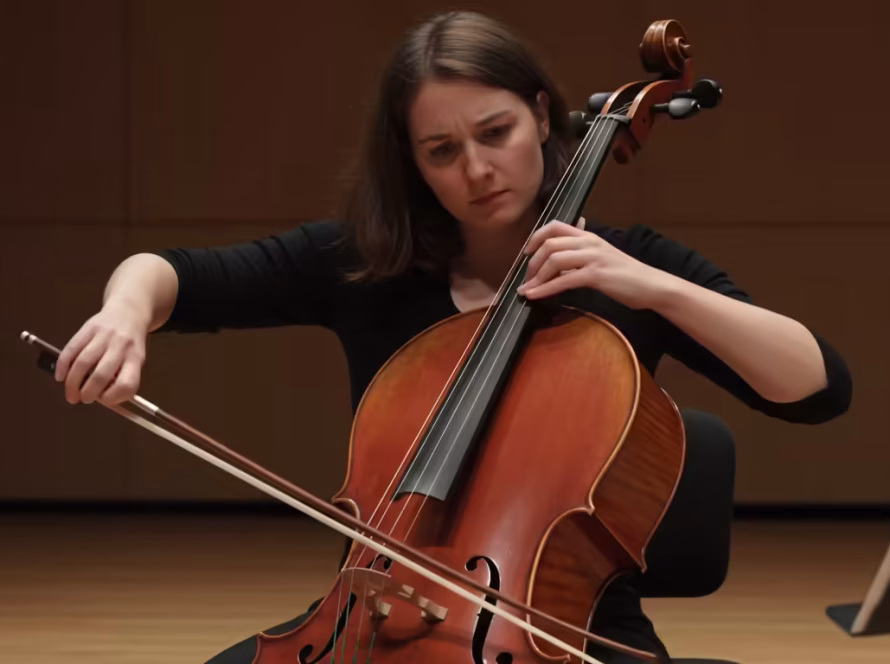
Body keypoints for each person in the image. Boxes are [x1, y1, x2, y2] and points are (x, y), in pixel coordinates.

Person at [51, 10, 852, 664]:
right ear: (413, 163)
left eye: (495, 131)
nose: (476, 169)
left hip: (562, 632)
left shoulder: (628, 268)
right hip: (364, 618)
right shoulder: (368, 265)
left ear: (541, 115)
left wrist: (654, 288)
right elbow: (169, 273)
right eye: (442, 151)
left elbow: (815, 387)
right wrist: (124, 313)